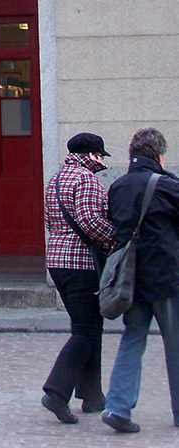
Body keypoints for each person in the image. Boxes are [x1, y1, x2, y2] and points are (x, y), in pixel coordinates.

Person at [102, 127, 179, 434]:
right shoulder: (168, 186)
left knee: (132, 340)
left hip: (129, 280)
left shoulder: (118, 187)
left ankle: (117, 406)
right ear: (159, 155)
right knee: (175, 344)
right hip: (166, 276)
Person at [42, 131, 115, 424]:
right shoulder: (85, 179)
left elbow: (49, 221)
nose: (101, 160)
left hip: (57, 261)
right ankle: (57, 392)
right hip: (81, 262)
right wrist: (115, 240)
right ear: (91, 155)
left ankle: (92, 395)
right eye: (100, 155)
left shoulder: (56, 179)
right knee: (86, 331)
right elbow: (90, 221)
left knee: (87, 326)